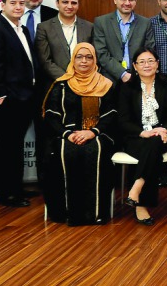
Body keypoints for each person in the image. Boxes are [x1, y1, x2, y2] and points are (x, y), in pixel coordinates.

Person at [41, 42, 118, 225]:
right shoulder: (61, 85)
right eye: (79, 57)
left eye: (89, 57)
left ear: (95, 60)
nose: (84, 61)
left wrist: (92, 132)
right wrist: (67, 134)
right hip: (66, 135)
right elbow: (51, 116)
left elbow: (111, 115)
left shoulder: (105, 84)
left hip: (97, 134)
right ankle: (67, 213)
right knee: (64, 151)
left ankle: (96, 213)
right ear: (73, 60)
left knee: (95, 150)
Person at [0, 0, 39, 208]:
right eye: (13, 3)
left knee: (15, 146)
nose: (18, 7)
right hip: (6, 99)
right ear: (2, 5)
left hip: (25, 97)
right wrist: (2, 95)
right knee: (6, 147)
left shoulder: (21, 29)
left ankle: (16, 187)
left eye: (21, 3)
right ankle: (6, 194)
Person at [114, 48, 167, 225]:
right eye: (141, 62)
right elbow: (123, 120)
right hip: (135, 136)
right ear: (134, 66)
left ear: (157, 63)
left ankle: (137, 190)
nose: (146, 65)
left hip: (162, 135)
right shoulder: (127, 87)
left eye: (150, 61)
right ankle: (140, 200)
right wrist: (143, 132)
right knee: (150, 147)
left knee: (154, 142)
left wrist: (162, 129)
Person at [35, 0, 95, 94]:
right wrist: (67, 78)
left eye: (74, 3)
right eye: (65, 2)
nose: (69, 6)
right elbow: (45, 61)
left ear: (78, 5)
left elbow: (94, 57)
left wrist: (82, 78)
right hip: (56, 85)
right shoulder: (44, 28)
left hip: (85, 84)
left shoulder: (89, 27)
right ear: (57, 3)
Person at [93, 0, 156, 85]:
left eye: (131, 0)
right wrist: (122, 73)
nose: (127, 3)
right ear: (115, 0)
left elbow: (149, 50)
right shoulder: (101, 22)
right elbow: (101, 53)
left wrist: (138, 71)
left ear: (135, 1)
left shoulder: (145, 23)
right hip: (109, 78)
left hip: (138, 77)